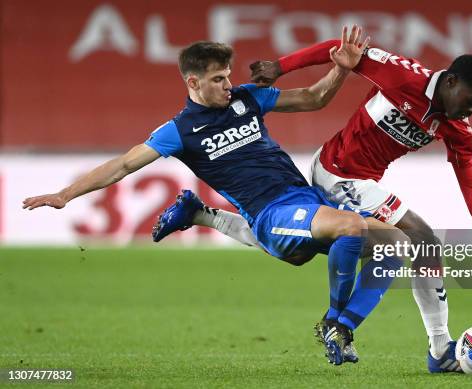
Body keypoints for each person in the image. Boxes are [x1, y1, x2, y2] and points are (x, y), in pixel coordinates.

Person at [21, 26, 411, 367]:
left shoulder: (247, 99)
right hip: (272, 215)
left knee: (396, 244)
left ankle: (342, 327)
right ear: (193, 83)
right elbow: (123, 165)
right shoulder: (181, 129)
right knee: (350, 227)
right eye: (218, 79)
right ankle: (332, 320)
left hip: (305, 200)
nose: (228, 85)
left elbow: (313, 98)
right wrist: (65, 194)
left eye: (228, 76)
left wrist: (341, 68)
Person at [177, 38, 472, 372]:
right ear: (452, 81)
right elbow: (341, 48)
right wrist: (280, 67)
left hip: (363, 181)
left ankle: (207, 216)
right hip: (338, 171)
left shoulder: (457, 127)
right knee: (422, 240)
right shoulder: (402, 75)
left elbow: (469, 179)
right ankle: (425, 346)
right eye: (471, 100)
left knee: (309, 249)